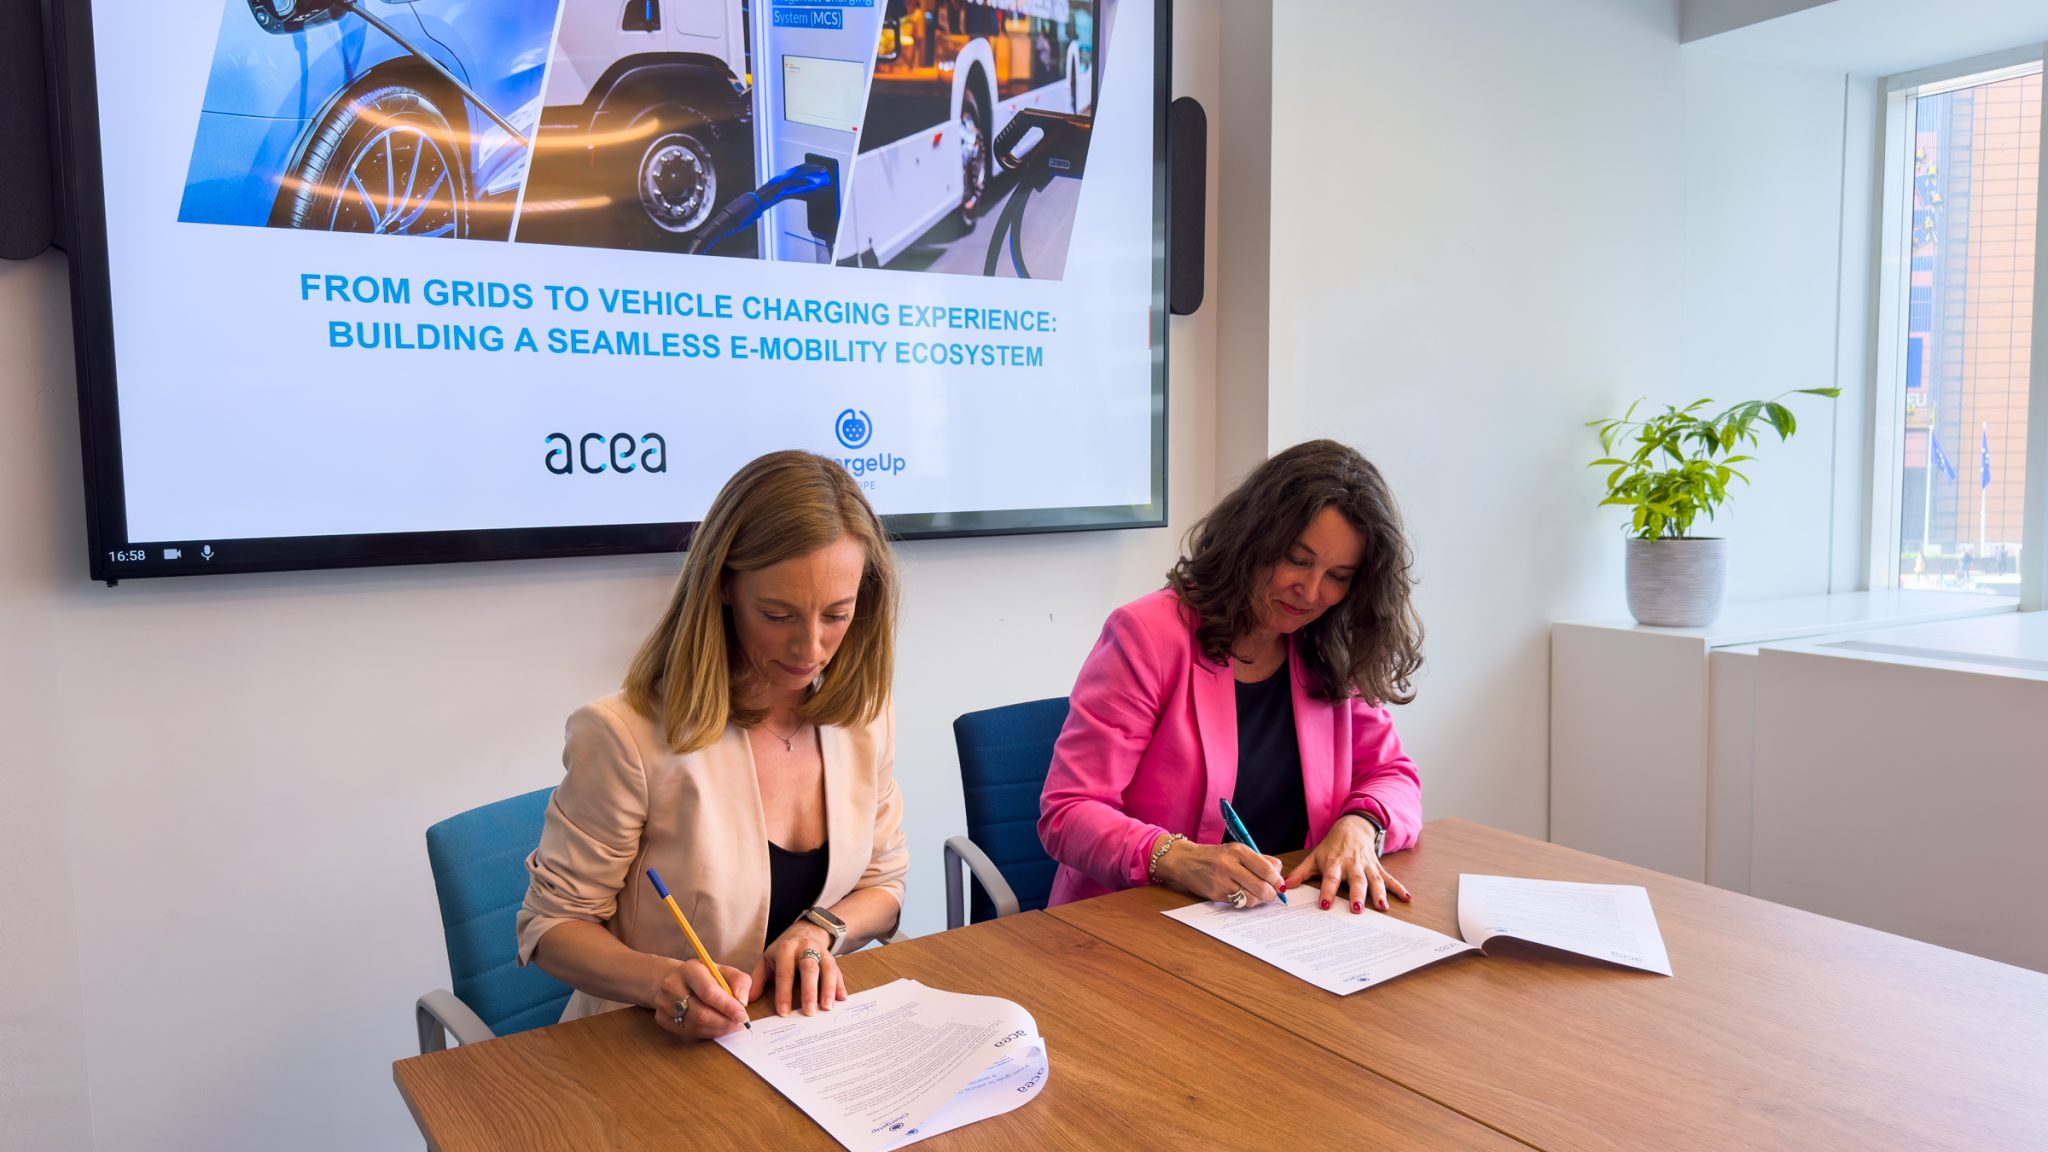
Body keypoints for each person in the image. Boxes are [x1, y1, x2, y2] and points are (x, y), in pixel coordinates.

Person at [517, 451, 907, 1040]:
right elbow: (551, 926)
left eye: (837, 614)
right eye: (777, 614)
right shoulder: (626, 736)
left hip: (802, 1041)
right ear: (723, 586)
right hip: (645, 1048)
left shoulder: (863, 716)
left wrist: (821, 927)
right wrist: (658, 981)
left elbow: (884, 885)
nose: (810, 648)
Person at [1039, 440, 1425, 916]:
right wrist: (1176, 858)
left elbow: (1394, 776)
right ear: (1253, 539)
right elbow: (1068, 812)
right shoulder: (1149, 636)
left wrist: (1362, 823)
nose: (1310, 591)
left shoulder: (1328, 644)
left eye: (1339, 576)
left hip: (1287, 921)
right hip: (1138, 922)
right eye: (1298, 560)